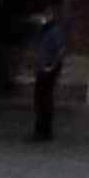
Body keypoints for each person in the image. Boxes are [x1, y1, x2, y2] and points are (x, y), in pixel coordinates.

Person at [31, 10, 67, 141]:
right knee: (40, 100)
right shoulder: (46, 30)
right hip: (43, 68)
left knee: (45, 101)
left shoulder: (56, 30)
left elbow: (61, 49)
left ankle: (44, 132)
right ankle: (39, 130)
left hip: (48, 69)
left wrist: (52, 66)